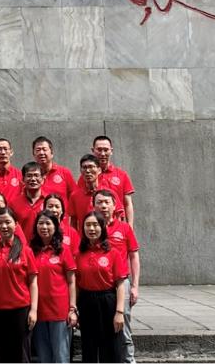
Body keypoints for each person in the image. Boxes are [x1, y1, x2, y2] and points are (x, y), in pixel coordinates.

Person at [0, 208, 38, 363]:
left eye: (8, 222)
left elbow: (33, 282)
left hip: (20, 310)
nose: (4, 226)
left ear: (16, 224)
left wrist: (33, 310)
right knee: (1, 354)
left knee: (20, 355)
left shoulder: (25, 251)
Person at [95, 189, 140, 363]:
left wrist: (135, 286)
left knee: (123, 325)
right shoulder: (90, 227)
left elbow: (134, 256)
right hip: (99, 285)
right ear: (94, 206)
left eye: (107, 202)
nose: (103, 206)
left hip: (121, 282)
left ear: (115, 206)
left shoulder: (124, 228)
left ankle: (128, 360)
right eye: (99, 202)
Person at [76, 212, 125, 363]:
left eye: (95, 225)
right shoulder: (79, 254)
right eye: (88, 225)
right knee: (89, 346)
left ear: (102, 228)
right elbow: (76, 283)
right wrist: (74, 308)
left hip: (107, 301)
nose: (91, 229)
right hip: (86, 301)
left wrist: (119, 312)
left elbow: (120, 284)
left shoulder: (113, 253)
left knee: (110, 347)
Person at [30, 212, 77, 364]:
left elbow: (71, 281)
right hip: (38, 310)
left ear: (55, 227)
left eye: (48, 223)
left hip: (59, 310)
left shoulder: (63, 249)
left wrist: (72, 309)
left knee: (61, 355)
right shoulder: (30, 250)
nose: (44, 227)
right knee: (44, 356)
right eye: (40, 223)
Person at [89, 136, 136, 224]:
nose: (103, 153)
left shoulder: (122, 175)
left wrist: (130, 227)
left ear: (111, 151)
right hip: (95, 225)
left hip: (117, 225)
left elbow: (128, 204)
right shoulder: (87, 177)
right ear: (93, 150)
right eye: (99, 150)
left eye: (106, 150)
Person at [8, 162, 48, 237]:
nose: (33, 179)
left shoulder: (49, 201)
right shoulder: (13, 204)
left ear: (43, 179)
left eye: (36, 175)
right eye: (29, 176)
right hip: (21, 244)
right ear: (23, 179)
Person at [32, 137, 75, 201]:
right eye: (38, 150)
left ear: (52, 153)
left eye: (44, 149)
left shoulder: (64, 172)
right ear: (33, 154)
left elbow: (75, 197)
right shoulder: (30, 177)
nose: (41, 152)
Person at [71, 154, 104, 226]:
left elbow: (117, 219)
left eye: (91, 167)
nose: (88, 171)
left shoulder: (108, 193)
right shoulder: (75, 196)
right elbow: (73, 222)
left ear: (99, 170)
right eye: (84, 167)